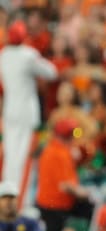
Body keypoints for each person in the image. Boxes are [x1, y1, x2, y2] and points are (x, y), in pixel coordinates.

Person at [0, 20, 58, 197]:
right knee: (25, 158)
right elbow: (52, 72)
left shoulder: (3, 55)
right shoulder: (28, 54)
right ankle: (20, 202)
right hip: (26, 112)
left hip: (10, 111)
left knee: (10, 157)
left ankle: (5, 198)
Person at [36, 118, 94, 231]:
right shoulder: (58, 153)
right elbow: (66, 186)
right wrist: (85, 193)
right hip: (54, 205)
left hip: (49, 202)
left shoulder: (55, 149)